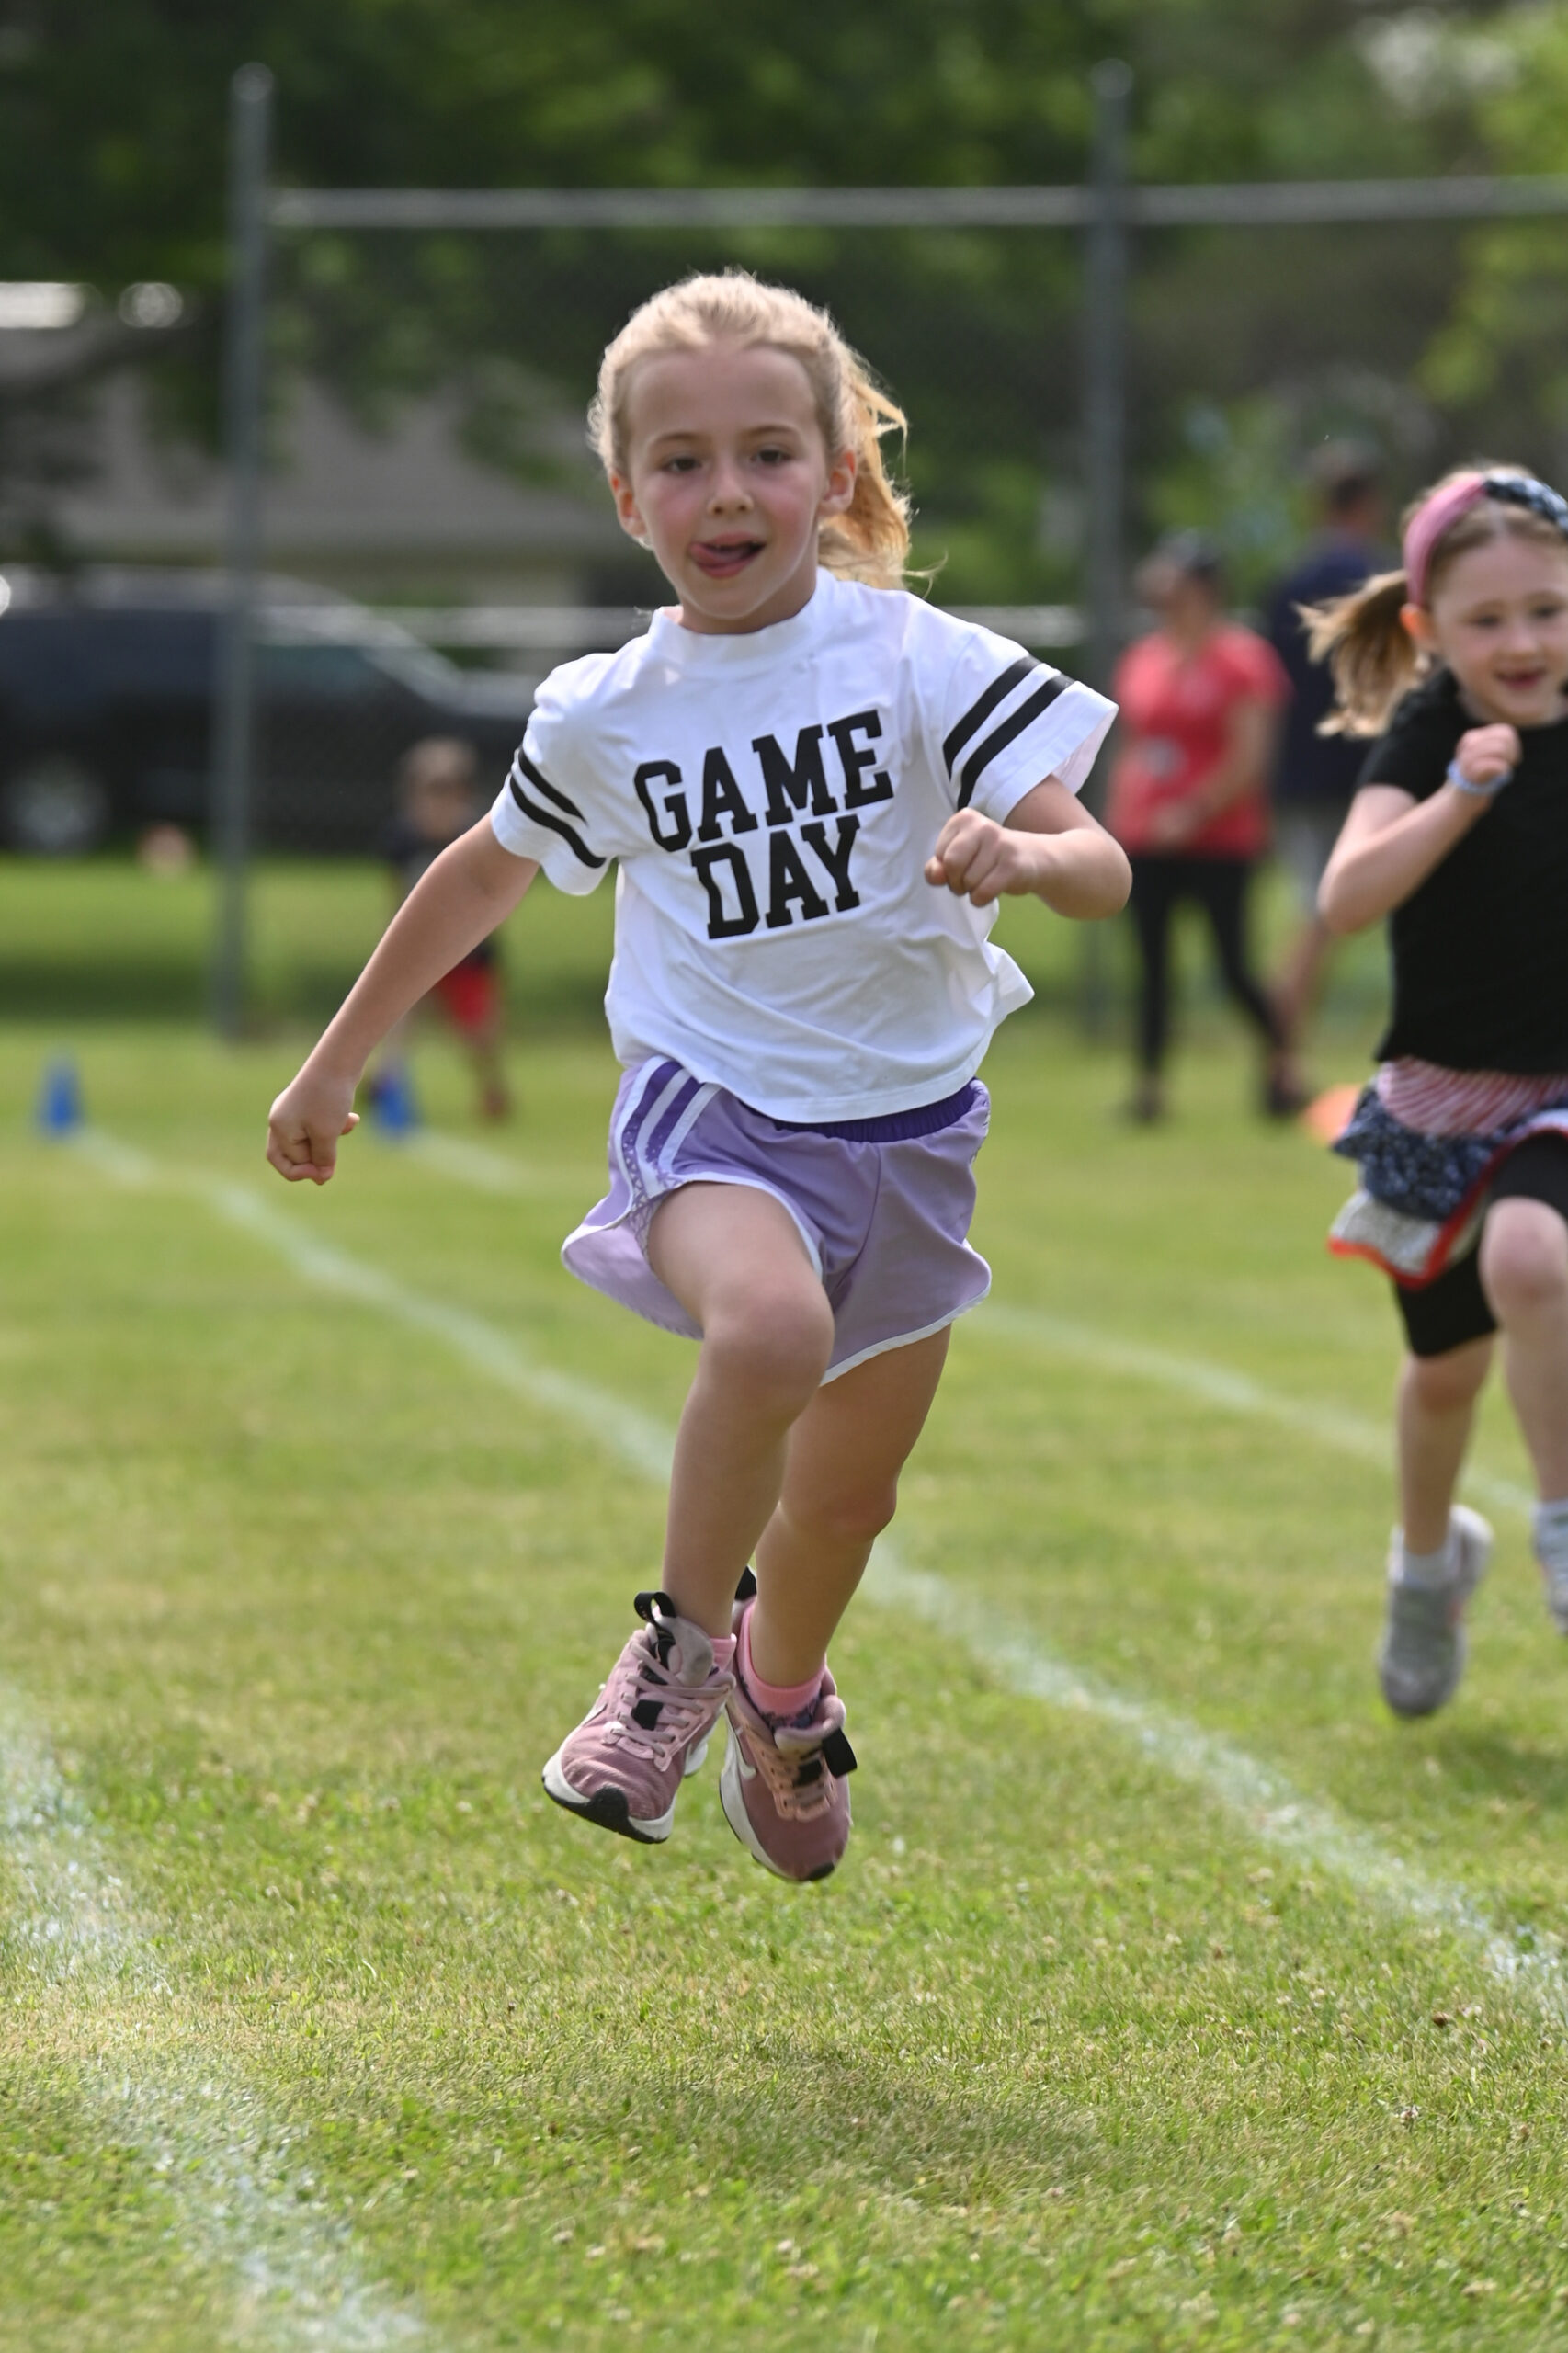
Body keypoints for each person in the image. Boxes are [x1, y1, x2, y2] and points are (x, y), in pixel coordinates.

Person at [265, 271, 1127, 1882]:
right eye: (680, 462)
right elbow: (480, 873)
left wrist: (1024, 852)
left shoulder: (922, 660)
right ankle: (669, 1660)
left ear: (837, 473)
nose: (725, 493)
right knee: (771, 1329)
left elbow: (1103, 867)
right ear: (625, 496)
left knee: (847, 1507)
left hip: (910, 1140)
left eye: (766, 455)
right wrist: (335, 1062)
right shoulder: (607, 711)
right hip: (712, 1112)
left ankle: (776, 1694)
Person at [1312, 466, 1568, 1719]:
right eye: (1486, 620)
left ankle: (1558, 1525)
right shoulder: (1426, 737)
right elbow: (1344, 898)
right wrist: (1462, 794)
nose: (1521, 641)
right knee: (1445, 1371)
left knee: (1531, 1257)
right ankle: (1425, 1568)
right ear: (1426, 630)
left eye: (1546, 610)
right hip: (1444, 1099)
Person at [1106, 530, 1301, 1122]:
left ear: (1206, 590)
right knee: (1152, 967)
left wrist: (1192, 812)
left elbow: (1251, 754)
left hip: (1221, 841)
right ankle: (1148, 1089)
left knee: (1232, 967)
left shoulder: (1242, 659)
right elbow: (1133, 745)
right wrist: (1121, 818)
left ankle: (1282, 1065)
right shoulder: (1145, 657)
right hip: (1148, 838)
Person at [1265, 446, 1387, 1063]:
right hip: (1363, 774)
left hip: (1296, 769)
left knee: (1316, 912)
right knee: (1326, 916)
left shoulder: (1291, 582)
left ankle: (1280, 1047)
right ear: (1367, 504)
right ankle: (1278, 1048)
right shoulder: (1377, 580)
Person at [369, 736, 512, 1124]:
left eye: (446, 791)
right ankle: (387, 1082)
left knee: (477, 1032)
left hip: (468, 951)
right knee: (398, 1015)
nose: (435, 802)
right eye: (427, 791)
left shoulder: (475, 836)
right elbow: (397, 895)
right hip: (418, 947)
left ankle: (492, 1087)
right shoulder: (403, 838)